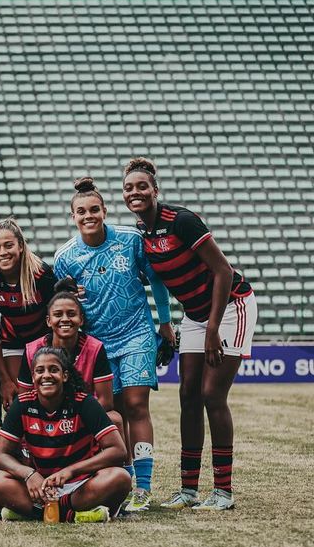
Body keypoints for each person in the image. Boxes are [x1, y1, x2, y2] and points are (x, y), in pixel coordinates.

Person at [123, 157, 257, 511]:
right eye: (128, 188)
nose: (135, 192)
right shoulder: (144, 234)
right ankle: (188, 491)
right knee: (187, 396)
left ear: (155, 191)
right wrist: (167, 326)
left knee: (212, 395)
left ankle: (224, 493)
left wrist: (212, 329)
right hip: (196, 317)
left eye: (141, 187)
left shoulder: (180, 221)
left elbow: (224, 272)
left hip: (231, 307)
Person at [53, 176, 176, 512]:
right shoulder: (65, 256)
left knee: (137, 405)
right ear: (73, 216)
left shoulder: (130, 240)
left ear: (105, 211)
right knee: (114, 412)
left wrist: (165, 323)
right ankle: (123, 478)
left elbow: (155, 280)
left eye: (94, 209)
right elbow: (63, 301)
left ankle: (144, 488)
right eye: (81, 211)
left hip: (137, 331)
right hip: (98, 342)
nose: (88, 215)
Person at [0, 347, 131, 523]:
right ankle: (71, 514)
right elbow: (1, 455)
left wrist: (71, 471)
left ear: (64, 376)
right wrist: (29, 475)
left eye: (53, 370)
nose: (46, 376)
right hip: (39, 486)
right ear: (33, 377)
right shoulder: (22, 404)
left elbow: (118, 450)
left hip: (80, 486)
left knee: (120, 478)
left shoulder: (84, 402)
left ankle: (39, 512)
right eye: (39, 371)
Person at [0, 218, 57, 411]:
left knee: (47, 394)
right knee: (20, 398)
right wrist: (4, 380)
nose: (3, 252)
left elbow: (55, 320)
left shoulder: (41, 274)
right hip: (13, 340)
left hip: (45, 339)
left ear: (20, 246)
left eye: (8, 245)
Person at [17, 283, 120, 430]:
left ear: (81, 319)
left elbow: (106, 401)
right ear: (48, 321)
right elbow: (24, 399)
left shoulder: (95, 348)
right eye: (58, 314)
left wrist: (72, 418)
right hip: (43, 420)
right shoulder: (32, 350)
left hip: (81, 417)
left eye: (71, 314)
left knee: (115, 419)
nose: (65, 319)